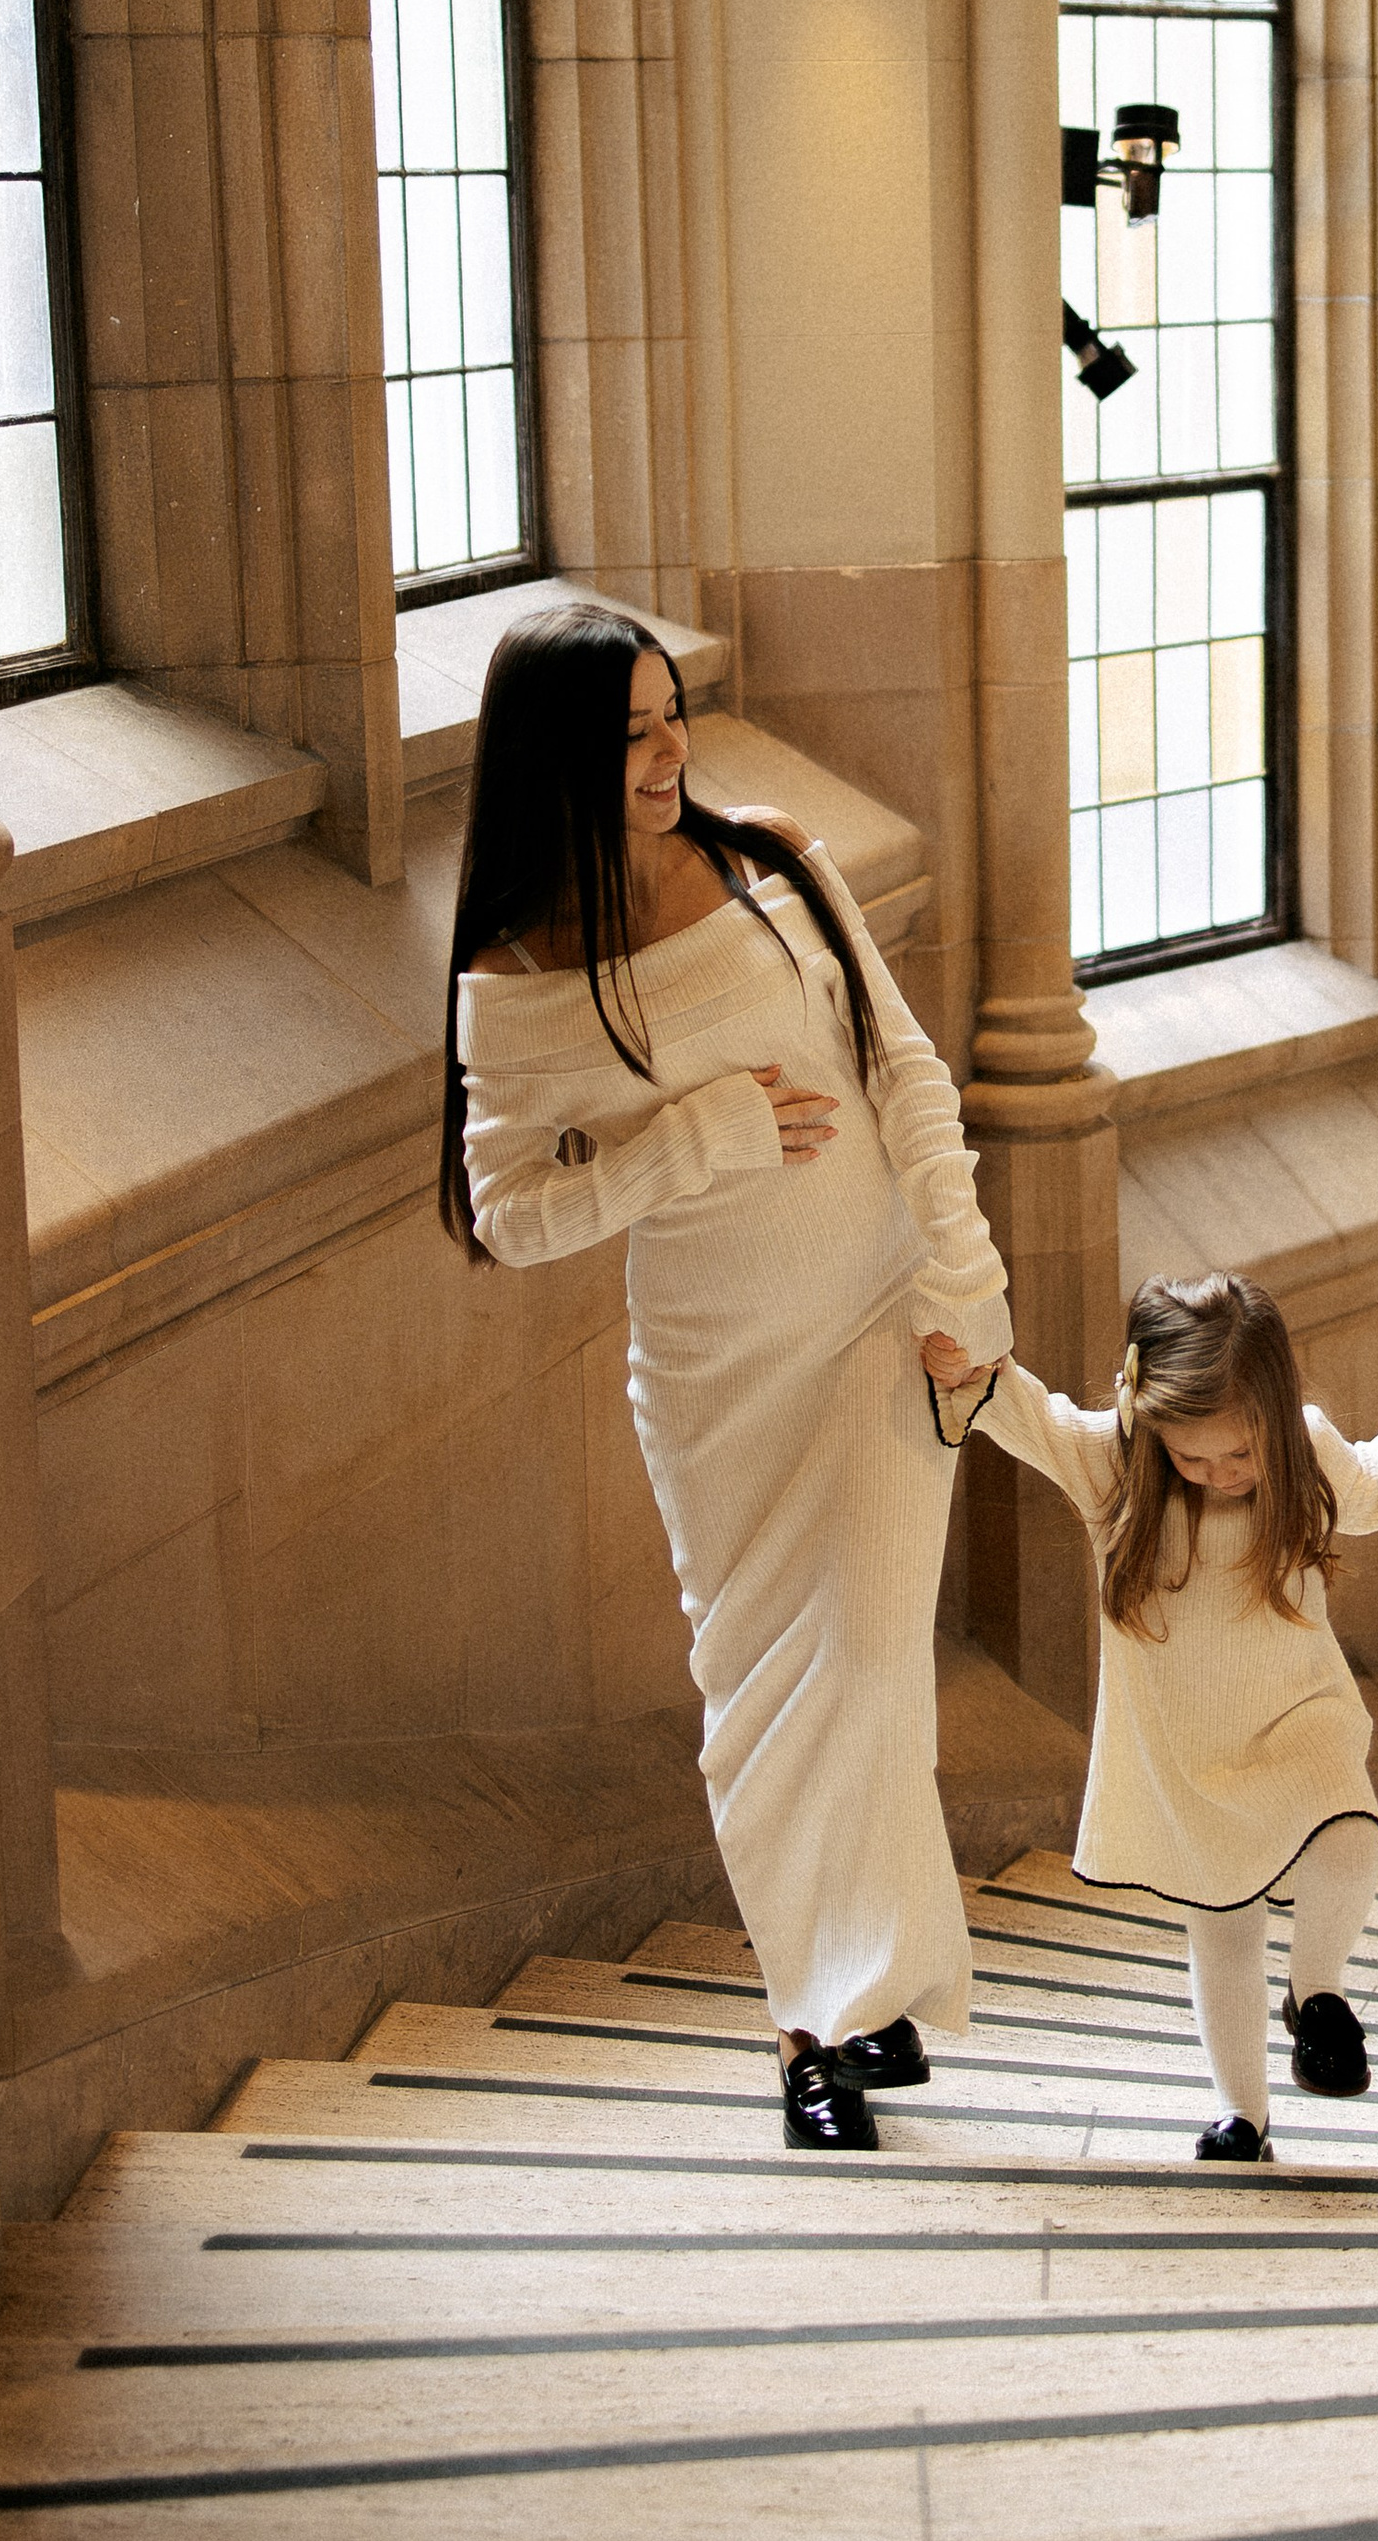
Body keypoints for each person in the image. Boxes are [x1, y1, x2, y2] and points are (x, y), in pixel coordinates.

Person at [441, 600, 1012, 2154]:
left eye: (669, 712)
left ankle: (843, 2000)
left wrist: (967, 1277)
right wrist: (695, 1138)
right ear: (555, 755)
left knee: (876, 1666)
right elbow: (507, 1210)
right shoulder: (520, 966)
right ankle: (816, 2015)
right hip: (713, 1375)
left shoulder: (767, 855)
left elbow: (903, 1066)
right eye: (628, 731)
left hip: (887, 1315)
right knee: (766, 1692)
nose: (666, 749)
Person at [924, 1272, 1378, 2161]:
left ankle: (1319, 1995)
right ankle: (1242, 2113)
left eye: (1239, 1455)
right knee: (1222, 1926)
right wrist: (969, 1366)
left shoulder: (1304, 1453)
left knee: (1351, 1834)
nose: (1220, 1475)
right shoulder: (1115, 1460)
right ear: (1151, 1425)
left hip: (1300, 1718)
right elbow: (1030, 1412)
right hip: (1188, 1752)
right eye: (1194, 1458)